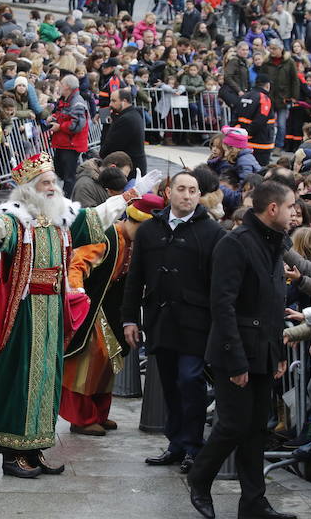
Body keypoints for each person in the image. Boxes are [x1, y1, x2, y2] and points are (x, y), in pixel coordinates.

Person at [0, 152, 161, 478]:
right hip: (26, 312)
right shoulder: (17, 215)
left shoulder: (60, 215)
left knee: (47, 378)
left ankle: (36, 447)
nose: (52, 186)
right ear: (29, 188)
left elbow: (95, 217)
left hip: (52, 310)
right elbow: (4, 232)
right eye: (44, 182)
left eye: (53, 180)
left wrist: (130, 194)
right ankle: (15, 453)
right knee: (24, 379)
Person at [188, 179, 297, 519]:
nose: (296, 213)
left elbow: (272, 301)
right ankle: (200, 476)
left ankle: (253, 502)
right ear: (273, 209)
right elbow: (223, 306)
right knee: (233, 424)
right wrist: (235, 361)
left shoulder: (274, 243)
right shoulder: (235, 244)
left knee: (255, 429)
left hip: (264, 349)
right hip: (234, 351)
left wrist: (277, 353)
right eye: (292, 207)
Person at [121, 171, 225, 474]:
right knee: (169, 384)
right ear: (169, 192)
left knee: (189, 379)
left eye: (193, 190)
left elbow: (219, 283)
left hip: (195, 321)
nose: (188, 195)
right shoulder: (150, 230)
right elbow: (135, 277)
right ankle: (176, 443)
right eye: (181, 189)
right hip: (160, 319)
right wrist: (130, 318)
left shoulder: (212, 232)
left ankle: (193, 445)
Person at [62, 193, 166, 436]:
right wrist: (77, 292)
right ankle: (82, 417)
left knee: (109, 360)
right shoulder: (107, 237)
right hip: (91, 306)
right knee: (90, 358)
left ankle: (99, 413)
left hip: (112, 310)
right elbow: (77, 264)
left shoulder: (138, 245)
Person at [48, 74, 90, 197]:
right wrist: (54, 117)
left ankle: (66, 202)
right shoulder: (65, 100)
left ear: (67, 86)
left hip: (71, 144)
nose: (59, 86)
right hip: (64, 143)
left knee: (68, 176)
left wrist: (59, 127)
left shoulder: (77, 102)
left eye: (61, 84)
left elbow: (77, 125)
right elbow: (62, 115)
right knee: (59, 171)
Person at [100, 89, 146, 177]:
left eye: (114, 101)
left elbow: (110, 147)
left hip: (128, 171)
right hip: (130, 168)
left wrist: (107, 125)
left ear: (124, 101)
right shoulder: (132, 114)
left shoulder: (126, 119)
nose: (110, 105)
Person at [235, 74, 276, 166]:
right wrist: (249, 134)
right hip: (260, 143)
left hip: (242, 142)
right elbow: (260, 120)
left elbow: (235, 117)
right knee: (259, 171)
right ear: (267, 85)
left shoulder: (244, 96)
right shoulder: (264, 99)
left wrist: (240, 134)